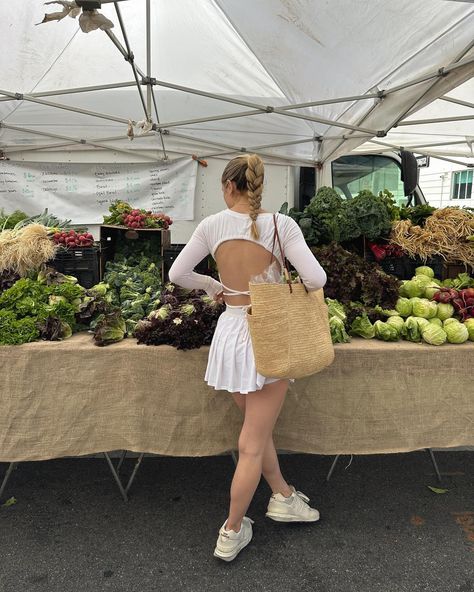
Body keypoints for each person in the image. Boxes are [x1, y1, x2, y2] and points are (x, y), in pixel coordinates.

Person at [168, 153, 327, 562]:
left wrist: (213, 286)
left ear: (228, 186)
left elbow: (177, 275)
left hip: (231, 333)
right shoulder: (281, 224)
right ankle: (232, 529)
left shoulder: (212, 225)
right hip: (268, 334)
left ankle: (282, 495)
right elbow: (315, 279)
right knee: (252, 441)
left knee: (257, 431)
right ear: (259, 187)